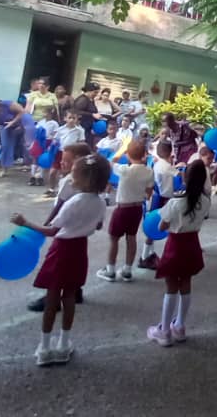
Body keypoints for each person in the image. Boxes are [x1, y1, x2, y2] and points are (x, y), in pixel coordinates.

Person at [11, 154, 110, 366]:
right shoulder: (101, 202)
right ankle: (64, 344)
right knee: (70, 297)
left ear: (87, 179)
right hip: (79, 250)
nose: (70, 177)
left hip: (62, 250)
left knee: (52, 299)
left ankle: (44, 348)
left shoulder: (74, 202)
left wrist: (24, 222)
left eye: (74, 175)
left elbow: (51, 230)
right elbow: (99, 225)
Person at [147, 160, 211, 346]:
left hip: (175, 246)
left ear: (185, 177)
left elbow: (161, 225)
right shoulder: (205, 201)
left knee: (171, 286)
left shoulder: (175, 202)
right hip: (192, 244)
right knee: (186, 283)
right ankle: (180, 326)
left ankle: (164, 330)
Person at [26, 143, 94, 313]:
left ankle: (52, 299)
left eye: (66, 160)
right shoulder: (91, 182)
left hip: (64, 231)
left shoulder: (68, 181)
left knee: (56, 267)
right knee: (76, 263)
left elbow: (59, 207)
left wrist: (47, 223)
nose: (62, 163)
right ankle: (76, 291)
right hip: (81, 232)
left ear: (78, 161)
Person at [97, 140, 154, 282]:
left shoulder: (124, 169)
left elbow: (111, 161)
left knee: (114, 239)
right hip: (137, 208)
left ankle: (110, 270)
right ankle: (127, 270)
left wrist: (121, 150)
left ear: (128, 155)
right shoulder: (148, 171)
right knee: (131, 237)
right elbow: (149, 192)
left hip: (123, 208)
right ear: (144, 155)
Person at [140, 141, 177, 270]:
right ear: (170, 152)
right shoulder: (168, 167)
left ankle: (147, 255)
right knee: (167, 227)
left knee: (153, 228)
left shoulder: (157, 164)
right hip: (164, 199)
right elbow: (180, 178)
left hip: (156, 198)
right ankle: (147, 257)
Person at [45, 112, 85, 197]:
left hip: (71, 154)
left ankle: (61, 190)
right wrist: (51, 147)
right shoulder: (60, 129)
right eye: (69, 118)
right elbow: (55, 140)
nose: (71, 120)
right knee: (53, 171)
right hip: (59, 152)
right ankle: (51, 188)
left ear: (77, 119)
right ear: (65, 118)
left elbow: (81, 142)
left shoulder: (80, 130)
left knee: (65, 173)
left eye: (74, 118)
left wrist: (79, 153)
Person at [29, 107, 60, 187]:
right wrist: (32, 142)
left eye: (46, 113)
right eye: (43, 113)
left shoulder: (54, 123)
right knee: (35, 158)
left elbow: (55, 134)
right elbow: (36, 132)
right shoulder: (41, 122)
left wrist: (52, 143)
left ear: (50, 114)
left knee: (43, 159)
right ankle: (32, 176)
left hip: (48, 141)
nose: (44, 114)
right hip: (38, 141)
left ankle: (40, 177)